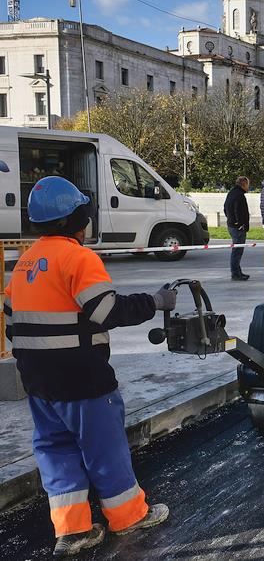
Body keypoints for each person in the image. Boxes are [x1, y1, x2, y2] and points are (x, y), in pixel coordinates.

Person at [3, 177, 174, 557]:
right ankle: (128, 515)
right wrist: (156, 301)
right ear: (77, 219)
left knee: (55, 449)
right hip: (83, 378)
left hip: (37, 380)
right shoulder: (79, 258)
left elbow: (12, 320)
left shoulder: (25, 260)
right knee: (104, 447)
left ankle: (73, 531)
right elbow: (106, 310)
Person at [223, 176, 251, 281]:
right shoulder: (239, 196)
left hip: (231, 225)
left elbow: (225, 208)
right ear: (244, 184)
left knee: (237, 250)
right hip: (237, 228)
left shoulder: (231, 193)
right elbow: (239, 211)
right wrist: (239, 223)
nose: (248, 187)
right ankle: (235, 273)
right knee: (237, 251)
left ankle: (237, 272)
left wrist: (230, 220)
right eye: (248, 184)